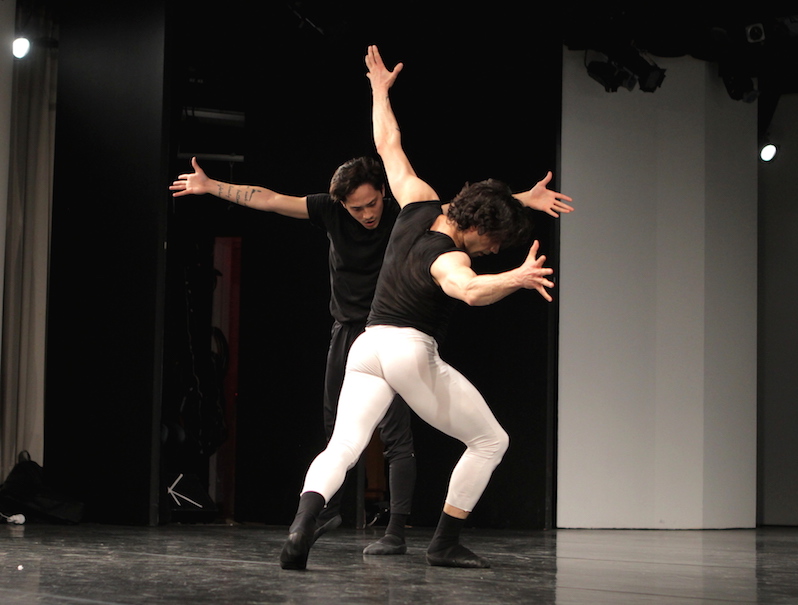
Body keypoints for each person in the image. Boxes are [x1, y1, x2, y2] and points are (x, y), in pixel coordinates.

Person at [279, 45, 573, 570]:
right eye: (493, 245)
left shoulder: (418, 201)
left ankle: (302, 524)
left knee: (344, 445)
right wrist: (518, 276)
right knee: (490, 440)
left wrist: (378, 90)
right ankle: (443, 542)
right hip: (409, 350)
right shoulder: (450, 258)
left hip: (366, 346)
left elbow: (387, 142)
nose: (490, 253)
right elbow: (469, 290)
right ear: (479, 232)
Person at [170, 155, 418, 554]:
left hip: (388, 334)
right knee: (335, 428)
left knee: (396, 434)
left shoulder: (404, 213)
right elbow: (269, 199)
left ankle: (397, 533)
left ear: (384, 193)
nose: (368, 214)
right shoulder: (329, 211)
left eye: (373, 204)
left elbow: (458, 211)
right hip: (346, 333)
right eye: (358, 208)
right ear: (342, 205)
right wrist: (212, 186)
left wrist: (523, 198)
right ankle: (329, 510)